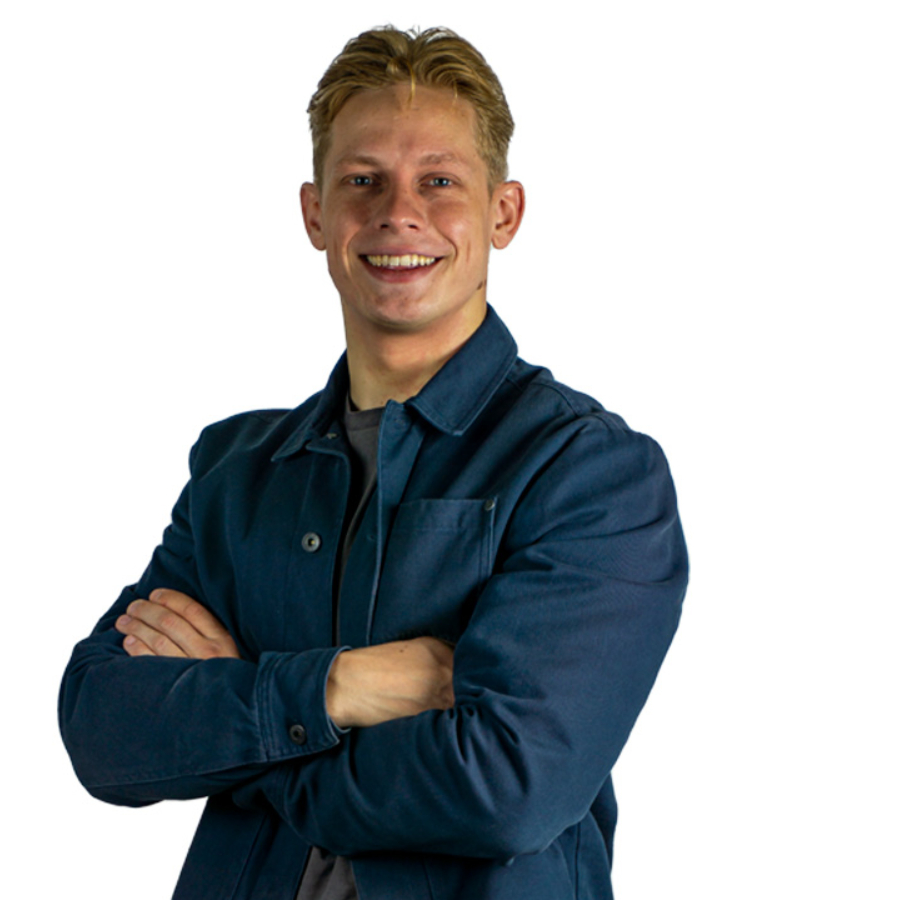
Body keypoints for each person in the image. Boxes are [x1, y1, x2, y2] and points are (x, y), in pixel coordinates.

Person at [59, 25, 687, 900]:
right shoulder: (238, 472)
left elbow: (507, 788)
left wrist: (245, 723)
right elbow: (103, 728)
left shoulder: (588, 472)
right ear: (315, 213)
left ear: (504, 212)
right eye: (363, 180)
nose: (399, 212)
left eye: (439, 181)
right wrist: (341, 687)